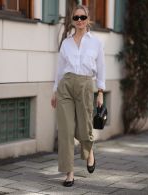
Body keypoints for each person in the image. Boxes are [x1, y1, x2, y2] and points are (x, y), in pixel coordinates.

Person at [51, 5, 106, 187]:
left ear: (88, 18)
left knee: (84, 126)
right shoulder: (66, 43)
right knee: (66, 130)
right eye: (76, 18)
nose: (80, 20)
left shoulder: (96, 43)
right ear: (72, 20)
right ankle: (69, 173)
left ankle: (89, 153)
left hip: (85, 85)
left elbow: (101, 70)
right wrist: (55, 90)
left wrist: (100, 92)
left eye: (83, 17)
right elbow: (59, 70)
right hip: (65, 85)